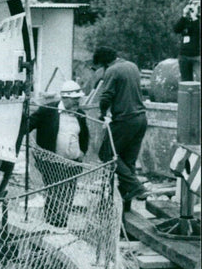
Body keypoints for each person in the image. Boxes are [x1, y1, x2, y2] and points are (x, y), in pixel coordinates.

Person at [17, 80, 89, 227]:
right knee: (55, 194)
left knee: (68, 194)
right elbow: (27, 125)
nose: (78, 102)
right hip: (52, 163)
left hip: (73, 163)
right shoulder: (47, 111)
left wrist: (82, 151)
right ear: (65, 98)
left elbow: (85, 135)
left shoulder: (80, 114)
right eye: (75, 100)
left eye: (78, 99)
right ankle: (51, 224)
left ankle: (62, 224)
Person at [94, 46, 148, 204]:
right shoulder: (132, 66)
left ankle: (136, 187)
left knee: (106, 154)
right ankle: (126, 200)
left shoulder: (112, 70)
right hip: (141, 119)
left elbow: (106, 96)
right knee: (128, 160)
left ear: (103, 62)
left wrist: (103, 113)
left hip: (125, 119)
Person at [173, 0, 200, 82]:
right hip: (184, 55)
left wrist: (195, 18)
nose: (196, 6)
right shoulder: (186, 20)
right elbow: (176, 29)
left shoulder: (197, 21)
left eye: (198, 4)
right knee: (186, 82)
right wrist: (184, 15)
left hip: (198, 55)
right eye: (194, 3)